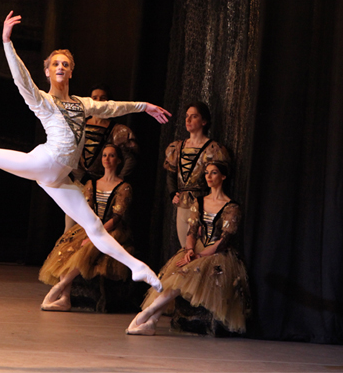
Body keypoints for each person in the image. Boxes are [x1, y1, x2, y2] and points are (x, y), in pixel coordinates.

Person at [0, 11, 170, 291]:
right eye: (55, 64)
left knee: (94, 226)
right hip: (45, 162)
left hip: (58, 179)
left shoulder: (83, 104)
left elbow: (112, 107)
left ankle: (137, 268)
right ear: (48, 71)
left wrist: (144, 106)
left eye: (66, 64)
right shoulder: (43, 101)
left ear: (72, 71)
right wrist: (7, 42)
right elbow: (22, 80)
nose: (61, 67)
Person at [126, 162, 250, 336]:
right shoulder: (199, 201)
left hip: (217, 254)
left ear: (223, 177)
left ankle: (147, 313)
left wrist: (199, 255)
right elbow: (191, 231)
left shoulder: (231, 207)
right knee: (173, 274)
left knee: (186, 275)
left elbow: (223, 241)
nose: (208, 176)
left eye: (213, 173)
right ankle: (152, 321)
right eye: (206, 172)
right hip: (197, 248)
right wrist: (190, 250)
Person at [39, 144, 134, 311]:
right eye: (104, 155)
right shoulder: (92, 184)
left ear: (118, 160)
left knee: (89, 247)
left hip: (110, 229)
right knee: (67, 248)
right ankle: (65, 298)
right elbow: (85, 210)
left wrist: (97, 232)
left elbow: (116, 217)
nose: (107, 159)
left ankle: (59, 288)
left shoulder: (124, 187)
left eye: (111, 156)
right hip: (90, 225)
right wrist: (88, 230)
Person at [64, 84, 139, 232]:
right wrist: (84, 178)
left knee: (102, 228)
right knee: (71, 229)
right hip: (81, 184)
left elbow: (130, 159)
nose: (98, 101)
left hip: (105, 188)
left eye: (102, 98)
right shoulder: (79, 126)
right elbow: (70, 155)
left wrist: (116, 181)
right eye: (95, 98)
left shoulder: (118, 131)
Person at [165, 102, 230, 247]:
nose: (188, 120)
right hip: (183, 204)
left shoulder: (213, 150)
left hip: (203, 205)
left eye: (193, 117)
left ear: (204, 121)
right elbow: (171, 173)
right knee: (185, 249)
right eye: (187, 116)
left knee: (200, 248)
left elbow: (218, 179)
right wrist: (172, 193)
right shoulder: (178, 147)